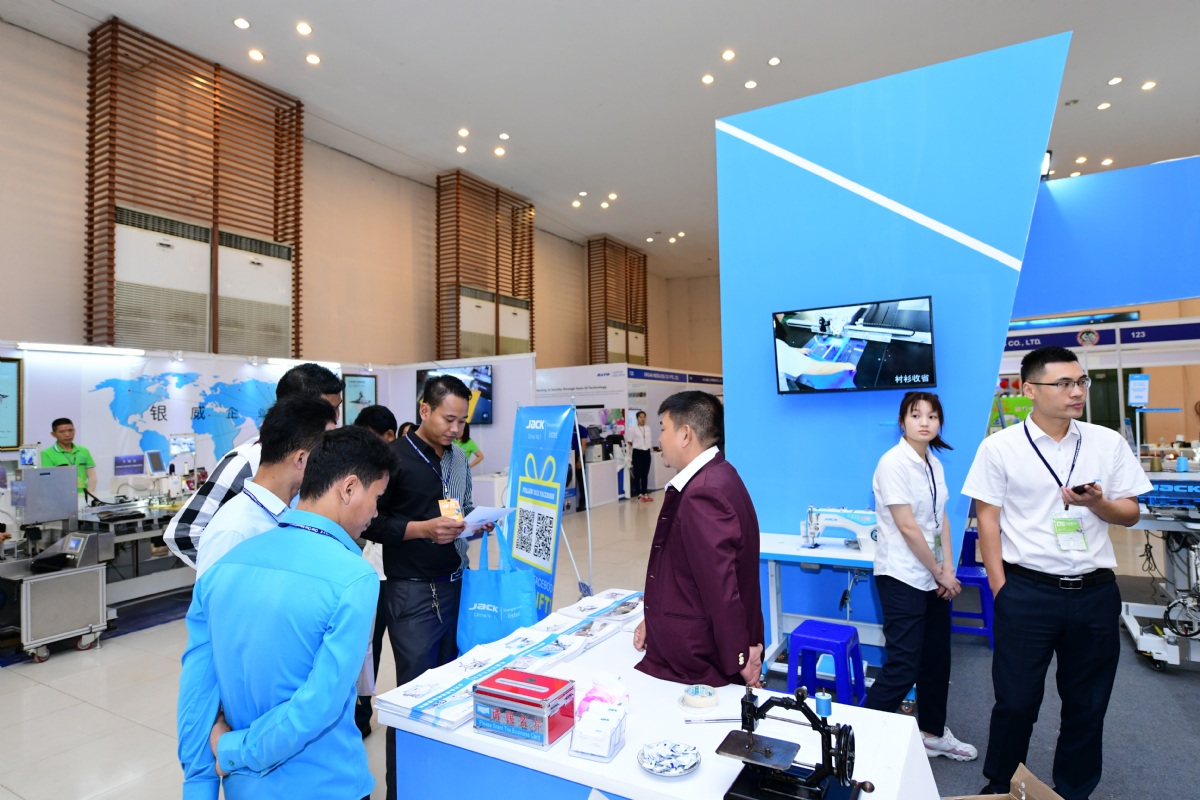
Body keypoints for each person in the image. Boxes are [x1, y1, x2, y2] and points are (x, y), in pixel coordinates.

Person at [963, 346, 1152, 800]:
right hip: (1027, 590)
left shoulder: (1106, 442)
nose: (1077, 392)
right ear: (1029, 389)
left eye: (1080, 382)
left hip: (1095, 592)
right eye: (1064, 384)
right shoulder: (1000, 447)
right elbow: (988, 518)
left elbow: (1130, 513)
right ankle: (1001, 785)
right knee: (1016, 701)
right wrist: (1000, 589)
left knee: (1087, 704)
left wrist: (1098, 504)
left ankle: (1073, 790)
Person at [177, 426, 393, 800]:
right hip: (327, 785)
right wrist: (235, 750)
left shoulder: (225, 565)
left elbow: (197, 694)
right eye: (377, 497)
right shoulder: (354, 577)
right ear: (349, 488)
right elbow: (318, 705)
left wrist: (199, 785)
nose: (375, 513)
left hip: (243, 789)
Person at [360, 375, 476, 800]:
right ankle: (403, 790)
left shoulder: (458, 458)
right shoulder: (391, 459)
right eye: (448, 419)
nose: (455, 430)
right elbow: (370, 522)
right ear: (424, 410)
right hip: (411, 593)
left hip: (455, 584)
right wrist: (421, 529)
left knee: (451, 689)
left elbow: (461, 507)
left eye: (462, 422)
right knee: (413, 698)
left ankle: (439, 782)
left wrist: (474, 524)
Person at [863, 391, 976, 761]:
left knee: (936, 659)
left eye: (932, 416)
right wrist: (939, 572)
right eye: (916, 415)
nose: (925, 422)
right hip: (902, 575)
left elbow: (940, 519)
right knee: (903, 665)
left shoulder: (933, 463)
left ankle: (932, 733)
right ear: (902, 422)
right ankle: (857, 739)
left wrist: (947, 568)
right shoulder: (892, 463)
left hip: (932, 574)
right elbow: (908, 527)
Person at [633, 390, 764, 687]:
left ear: (685, 434)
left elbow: (720, 588)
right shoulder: (720, 474)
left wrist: (740, 659)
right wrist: (655, 621)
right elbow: (687, 576)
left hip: (698, 659)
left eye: (663, 429)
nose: (660, 439)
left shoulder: (703, 492)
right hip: (703, 644)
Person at [164, 363, 344, 567]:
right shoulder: (246, 460)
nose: (336, 418)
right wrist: (234, 573)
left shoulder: (318, 457)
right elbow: (183, 533)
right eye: (330, 409)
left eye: (337, 408)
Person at [194, 395, 338, 576]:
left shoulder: (296, 509)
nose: (331, 462)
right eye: (326, 451)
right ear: (301, 459)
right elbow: (216, 594)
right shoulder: (234, 531)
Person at [351, 404, 400, 738]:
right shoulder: (364, 471)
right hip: (373, 570)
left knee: (406, 648)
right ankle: (362, 713)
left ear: (389, 436)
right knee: (368, 647)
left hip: (402, 573)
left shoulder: (400, 472)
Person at [40, 418, 96, 498]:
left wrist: (89, 493)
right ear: (53, 434)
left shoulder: (84, 451)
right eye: (62, 432)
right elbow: (48, 480)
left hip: (83, 495)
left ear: (74, 431)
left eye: (70, 430)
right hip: (60, 497)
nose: (67, 434)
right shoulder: (47, 454)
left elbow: (92, 476)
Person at [629, 410, 653, 502]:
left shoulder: (648, 428)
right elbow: (630, 441)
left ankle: (645, 492)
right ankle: (639, 493)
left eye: (644, 417)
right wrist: (638, 445)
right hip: (637, 452)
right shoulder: (633, 429)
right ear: (637, 418)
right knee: (637, 473)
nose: (642, 419)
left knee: (645, 474)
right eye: (640, 417)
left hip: (647, 452)